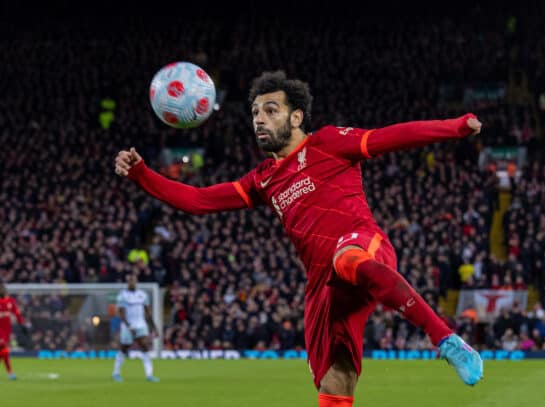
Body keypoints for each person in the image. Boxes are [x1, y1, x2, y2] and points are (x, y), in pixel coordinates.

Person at [115, 71, 483, 405]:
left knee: (348, 259)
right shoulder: (262, 179)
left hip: (362, 246)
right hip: (323, 286)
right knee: (334, 383)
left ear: (296, 117)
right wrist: (142, 175)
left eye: (270, 110)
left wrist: (455, 128)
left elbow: (391, 137)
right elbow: (198, 200)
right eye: (255, 112)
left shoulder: (327, 143)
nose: (259, 118)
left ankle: (446, 340)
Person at [112, 273, 160, 382]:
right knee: (124, 348)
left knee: (145, 346)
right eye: (130, 281)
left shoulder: (142, 295)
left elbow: (148, 313)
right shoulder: (122, 295)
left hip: (141, 324)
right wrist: (129, 327)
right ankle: (116, 373)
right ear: (127, 282)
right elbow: (122, 314)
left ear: (137, 282)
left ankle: (149, 375)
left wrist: (154, 327)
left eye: (134, 280)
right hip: (128, 326)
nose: (132, 282)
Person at [0, 282, 29, 381]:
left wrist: (22, 324)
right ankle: (10, 373)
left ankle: (10, 372)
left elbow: (16, 312)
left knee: (3, 351)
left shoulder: (11, 301)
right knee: (3, 348)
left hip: (7, 329)